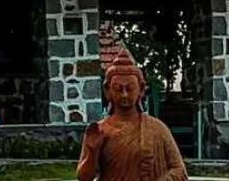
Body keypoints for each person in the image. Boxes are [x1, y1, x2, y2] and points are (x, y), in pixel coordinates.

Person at [76, 48, 188, 181]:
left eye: (130, 88)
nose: (124, 94)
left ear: (140, 89)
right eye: (118, 89)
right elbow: (83, 178)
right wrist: (92, 152)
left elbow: (179, 170)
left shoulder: (157, 129)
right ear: (107, 91)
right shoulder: (99, 131)